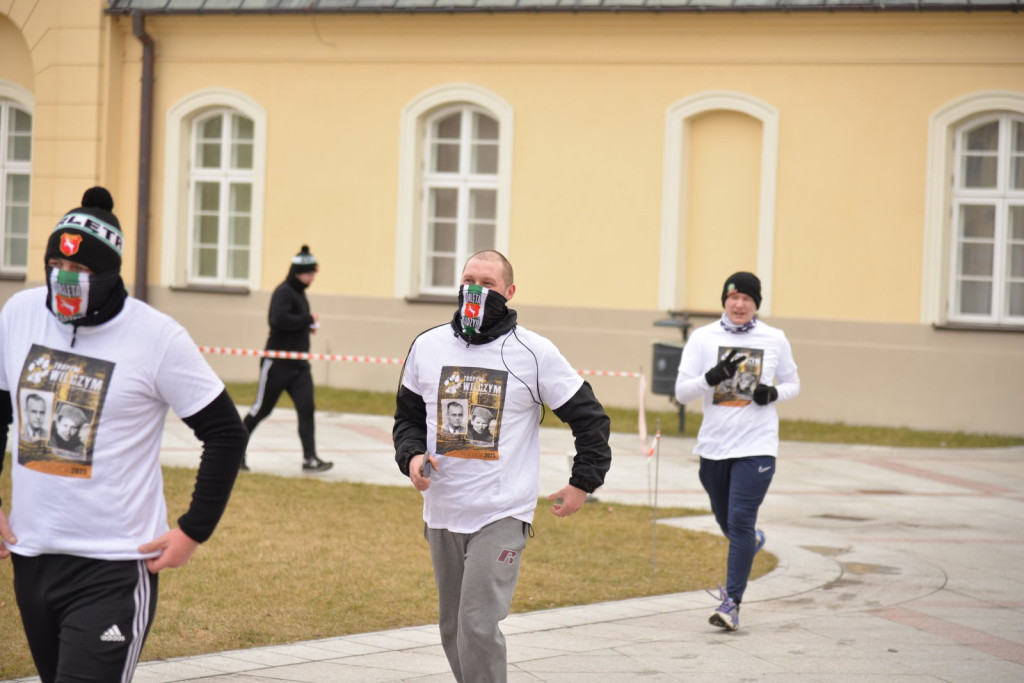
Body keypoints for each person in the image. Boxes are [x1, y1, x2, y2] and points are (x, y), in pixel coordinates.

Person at [0, 187, 248, 683]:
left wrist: (193, 529)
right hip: (33, 556)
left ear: (110, 276)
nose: (65, 279)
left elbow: (224, 431)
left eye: (84, 272)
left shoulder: (156, 336)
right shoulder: (18, 314)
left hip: (113, 565)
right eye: (54, 263)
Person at [393, 249, 612, 683]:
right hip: (443, 510)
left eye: (488, 283)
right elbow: (408, 418)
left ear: (509, 292)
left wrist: (582, 481)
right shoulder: (428, 345)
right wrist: (413, 457)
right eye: (468, 280)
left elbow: (591, 419)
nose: (475, 290)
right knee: (452, 627)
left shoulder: (534, 352)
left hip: (502, 511)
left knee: (476, 624)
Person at [674, 271, 800, 632]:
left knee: (741, 522)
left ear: (756, 303)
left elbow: (794, 382)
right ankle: (754, 542)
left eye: (747, 298)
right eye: (733, 297)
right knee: (727, 523)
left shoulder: (774, 338)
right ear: (724, 301)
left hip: (757, 447)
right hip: (713, 448)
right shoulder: (703, 338)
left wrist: (774, 394)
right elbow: (681, 393)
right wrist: (709, 380)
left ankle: (732, 603)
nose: (740, 304)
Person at [241, 245, 332, 473]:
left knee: (306, 409)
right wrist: (306, 319)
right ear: (298, 272)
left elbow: (294, 321)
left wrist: (307, 325)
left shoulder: (300, 293)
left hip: (299, 367)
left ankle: (310, 459)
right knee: (261, 409)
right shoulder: (283, 292)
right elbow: (278, 320)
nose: (312, 277)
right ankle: (234, 453)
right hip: (277, 364)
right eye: (309, 273)